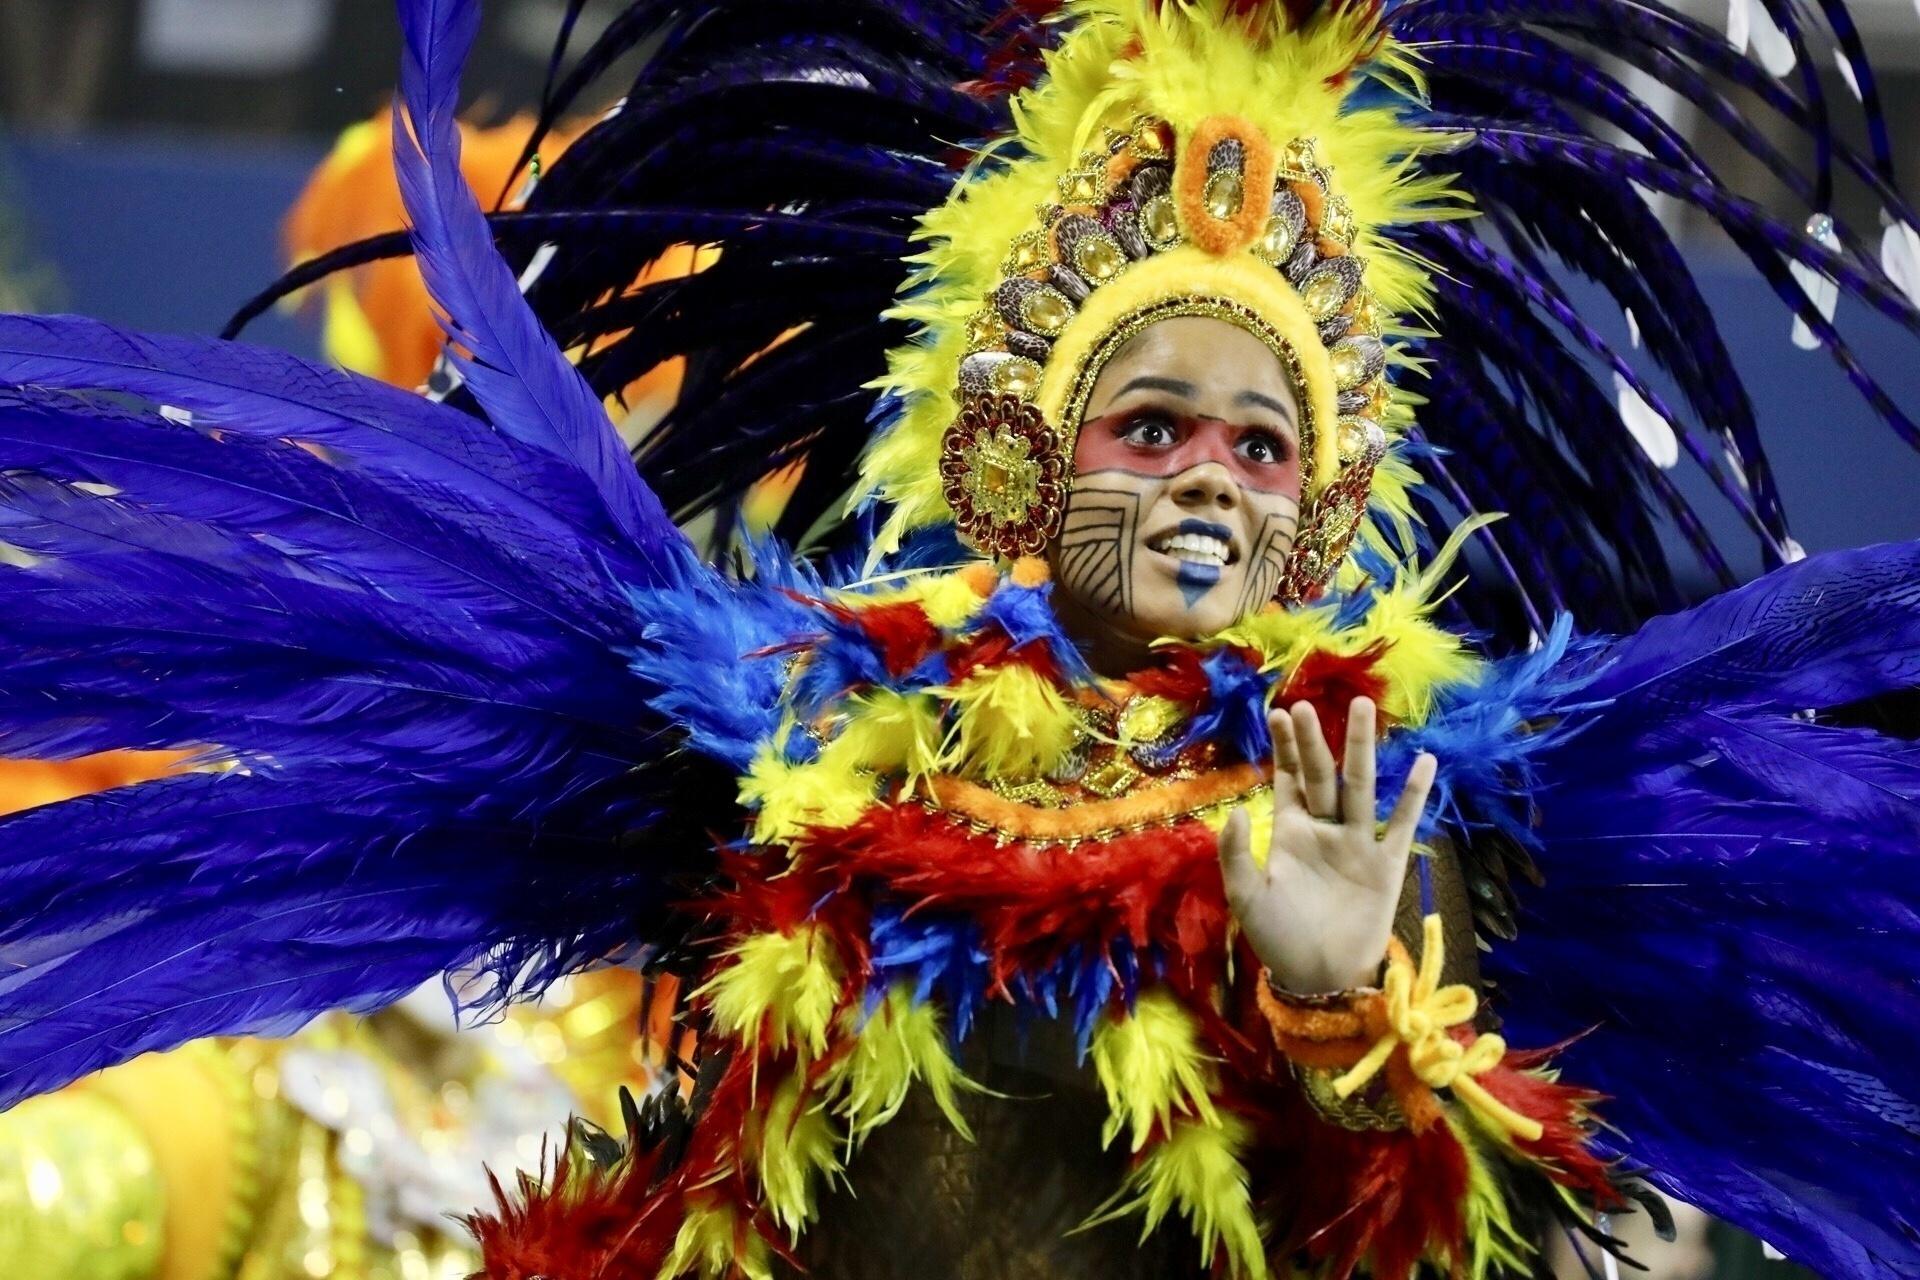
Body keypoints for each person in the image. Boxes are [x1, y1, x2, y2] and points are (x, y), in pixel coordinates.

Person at [1, 2, 1916, 1278]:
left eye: (1264, 447)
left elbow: (1441, 1224)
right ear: (1017, 453)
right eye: (1150, 426)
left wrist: (1339, 1003)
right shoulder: (797, 722)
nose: (1208, 485)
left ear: (1317, 511)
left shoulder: (1374, 798)